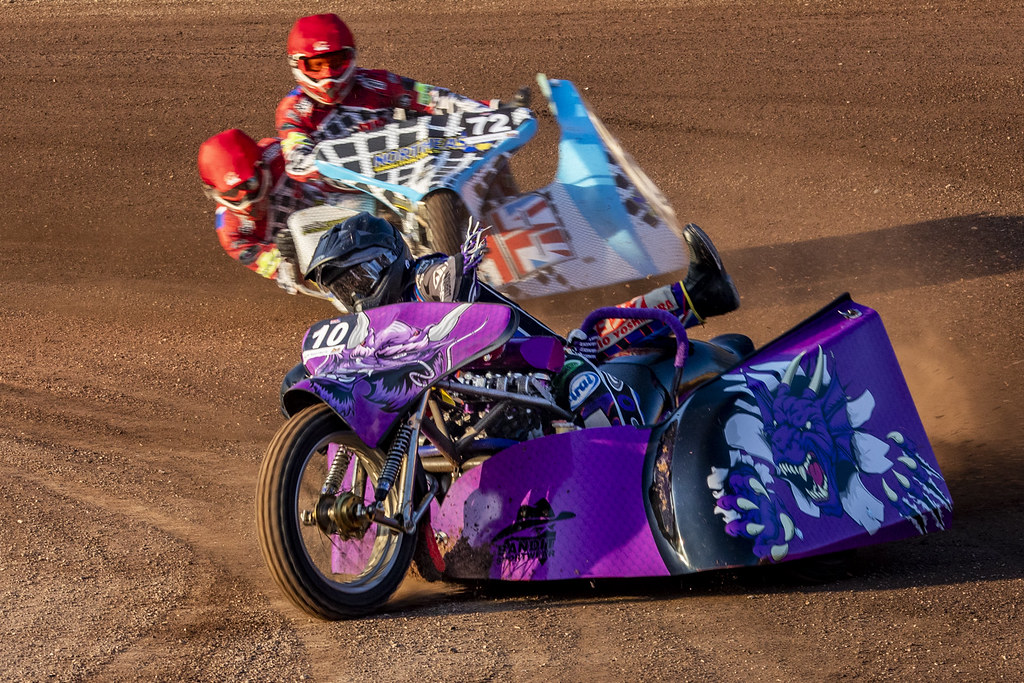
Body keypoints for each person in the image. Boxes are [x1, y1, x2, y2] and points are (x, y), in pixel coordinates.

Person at [276, 13, 515, 186]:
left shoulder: (378, 82)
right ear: (297, 64)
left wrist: (492, 110)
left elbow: (434, 98)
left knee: (476, 167)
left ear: (351, 58)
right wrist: (332, 164)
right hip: (345, 195)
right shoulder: (293, 111)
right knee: (301, 225)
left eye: (336, 63)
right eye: (317, 65)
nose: (328, 74)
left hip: (406, 172)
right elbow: (297, 160)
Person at [198, 128, 327, 293]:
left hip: (342, 207)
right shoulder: (233, 235)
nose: (247, 202)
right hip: (317, 252)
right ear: (213, 191)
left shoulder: (281, 152)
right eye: (231, 192)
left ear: (261, 165)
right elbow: (292, 278)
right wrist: (290, 257)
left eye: (250, 184)